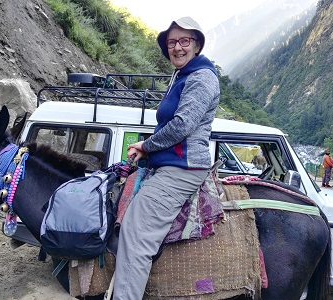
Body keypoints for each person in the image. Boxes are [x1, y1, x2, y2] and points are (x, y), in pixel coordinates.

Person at [113, 17, 220, 300]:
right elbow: (167, 126)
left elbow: (182, 125)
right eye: (172, 42)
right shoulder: (183, 76)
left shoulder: (201, 77)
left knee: (135, 234)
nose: (177, 47)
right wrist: (146, 148)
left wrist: (147, 146)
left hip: (183, 168)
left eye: (184, 41)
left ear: (196, 45)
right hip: (170, 163)